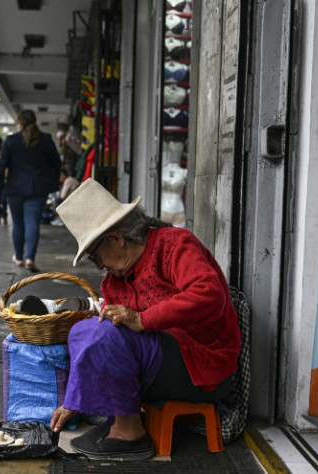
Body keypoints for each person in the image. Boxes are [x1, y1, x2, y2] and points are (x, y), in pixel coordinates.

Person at [50, 179, 241, 460]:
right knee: (84, 330)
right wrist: (73, 399)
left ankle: (129, 435)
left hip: (203, 365)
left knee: (108, 335)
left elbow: (209, 294)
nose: (99, 265)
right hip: (160, 363)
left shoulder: (174, 245)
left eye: (94, 256)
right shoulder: (114, 282)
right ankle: (118, 422)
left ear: (115, 239)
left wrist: (143, 319)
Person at [0, 110, 60, 272]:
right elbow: (57, 164)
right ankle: (30, 257)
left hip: (15, 188)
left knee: (18, 224)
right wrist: (52, 182)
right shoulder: (46, 140)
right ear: (35, 121)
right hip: (38, 189)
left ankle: (18, 257)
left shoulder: (10, 140)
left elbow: (1, 165)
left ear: (20, 123)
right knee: (32, 223)